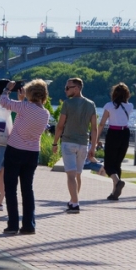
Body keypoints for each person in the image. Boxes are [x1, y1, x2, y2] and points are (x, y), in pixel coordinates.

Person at [0, 79, 50, 235]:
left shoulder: (24, 107)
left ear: (29, 93)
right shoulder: (45, 113)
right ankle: (29, 225)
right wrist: (23, 101)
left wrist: (7, 89)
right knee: (27, 189)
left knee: (10, 187)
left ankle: (13, 224)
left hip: (15, 150)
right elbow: (27, 115)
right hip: (32, 153)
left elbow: (4, 102)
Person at [51, 77, 97, 214]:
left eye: (67, 88)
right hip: (83, 144)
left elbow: (60, 126)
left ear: (76, 89)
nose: (65, 90)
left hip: (69, 142)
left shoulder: (67, 104)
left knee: (71, 175)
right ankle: (73, 201)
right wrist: (93, 148)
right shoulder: (91, 104)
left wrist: (54, 143)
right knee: (77, 175)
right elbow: (94, 128)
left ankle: (75, 203)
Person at [94, 82, 133, 201]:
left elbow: (102, 123)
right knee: (117, 164)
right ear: (127, 94)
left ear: (114, 94)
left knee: (108, 164)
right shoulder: (130, 106)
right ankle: (114, 192)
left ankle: (117, 182)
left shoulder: (109, 106)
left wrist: (96, 138)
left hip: (113, 133)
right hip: (125, 133)